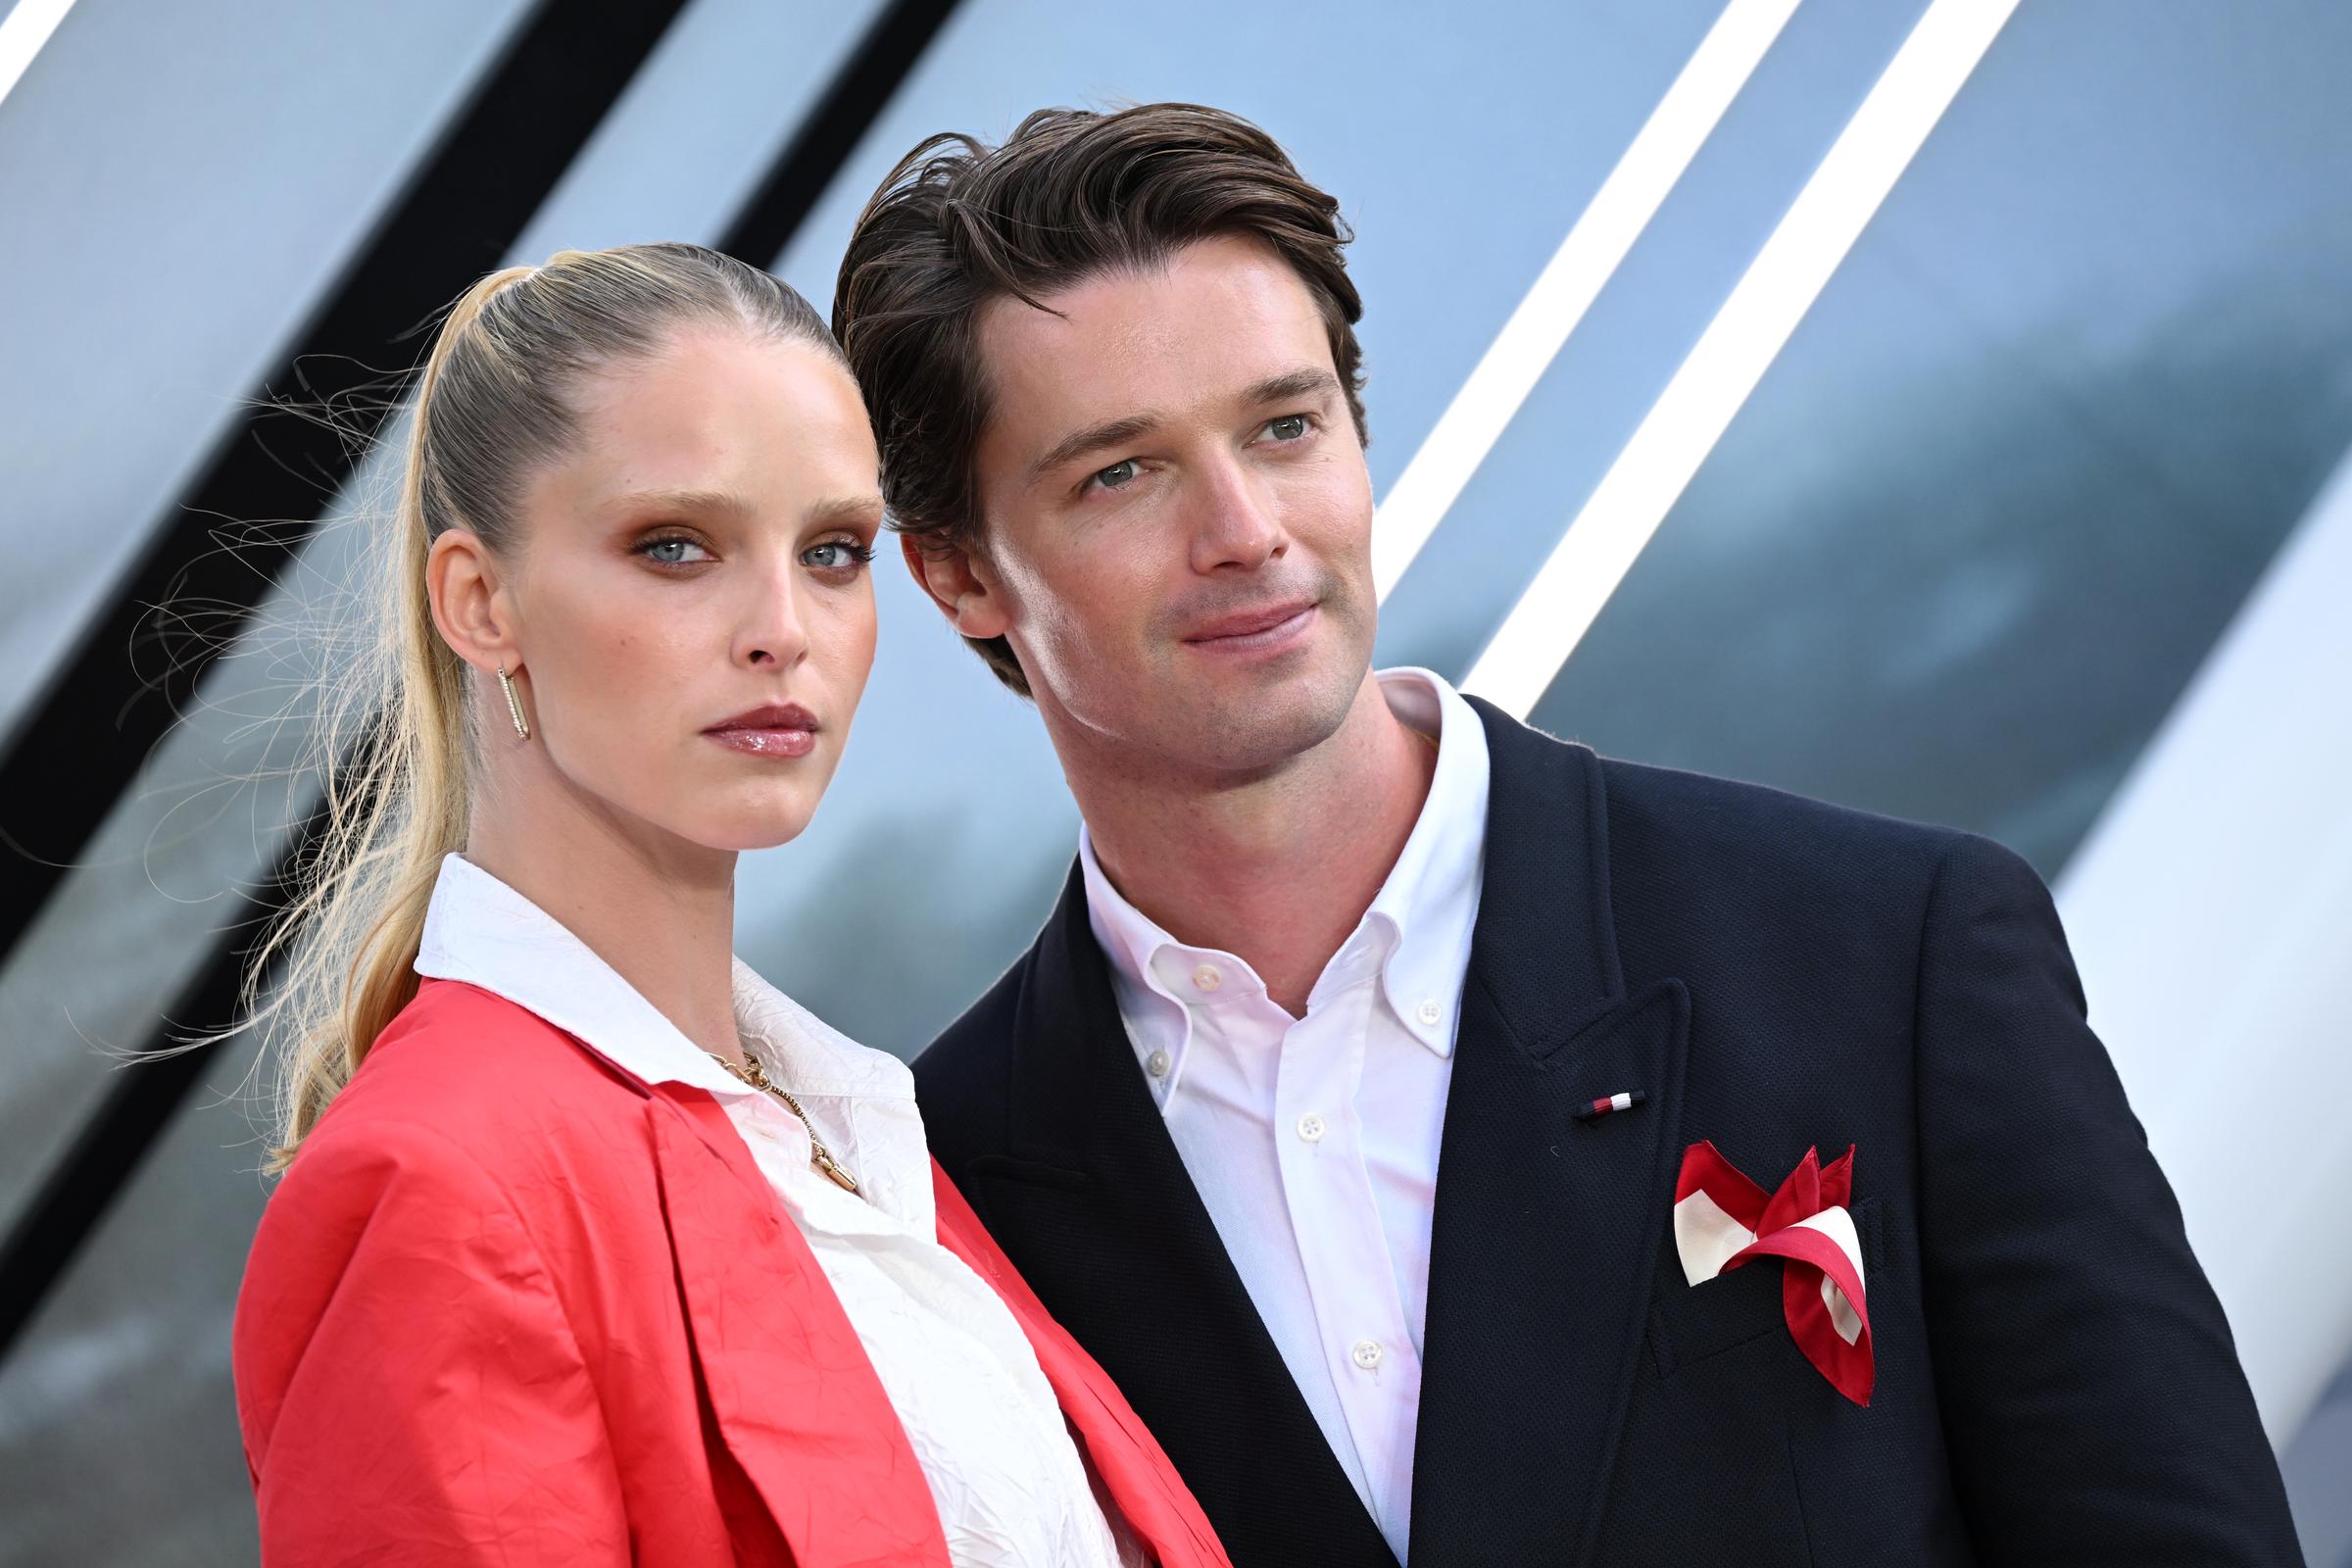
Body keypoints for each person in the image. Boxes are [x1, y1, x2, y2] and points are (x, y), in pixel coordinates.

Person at [832, 105, 2305, 1566]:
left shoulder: (1885, 949)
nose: (1247, 529)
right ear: (961, 573)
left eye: (1285, 427)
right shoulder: (932, 1197)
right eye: (1123, 473)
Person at [228, 242, 1228, 1568]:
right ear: (483, 601)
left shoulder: (854, 1129)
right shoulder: (437, 1183)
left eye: (830, 551)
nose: (782, 628)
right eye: (676, 545)